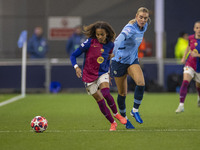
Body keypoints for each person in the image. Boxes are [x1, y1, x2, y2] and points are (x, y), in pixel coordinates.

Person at [70, 21, 127, 131]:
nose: (100, 37)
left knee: (106, 93)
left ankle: (116, 114)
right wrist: (76, 67)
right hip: (88, 75)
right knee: (100, 101)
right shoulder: (90, 42)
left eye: (102, 34)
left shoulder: (111, 45)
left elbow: (107, 59)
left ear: (107, 34)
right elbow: (73, 55)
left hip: (102, 73)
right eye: (97, 34)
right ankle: (113, 123)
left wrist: (108, 73)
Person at [111, 7, 150, 129]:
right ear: (136, 16)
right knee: (122, 93)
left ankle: (134, 110)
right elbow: (118, 40)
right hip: (119, 61)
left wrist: (134, 20)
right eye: (141, 17)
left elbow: (145, 22)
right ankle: (125, 119)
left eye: (145, 18)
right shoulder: (129, 28)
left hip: (132, 60)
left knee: (141, 83)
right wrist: (113, 52)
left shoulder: (145, 25)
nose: (143, 20)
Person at [175, 21, 200, 113]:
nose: (199, 30)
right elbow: (188, 47)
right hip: (190, 64)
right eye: (197, 28)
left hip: (199, 67)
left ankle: (199, 97)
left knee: (198, 85)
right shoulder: (190, 38)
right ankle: (181, 105)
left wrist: (197, 55)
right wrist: (184, 57)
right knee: (185, 82)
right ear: (194, 29)